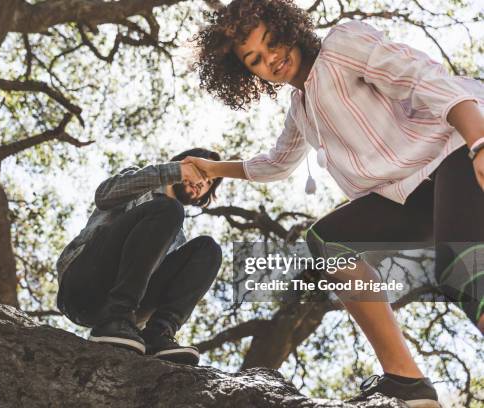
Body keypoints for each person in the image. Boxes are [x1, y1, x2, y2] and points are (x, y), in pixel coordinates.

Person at [187, 0, 484, 405]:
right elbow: (275, 163)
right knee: (328, 241)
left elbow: (422, 78)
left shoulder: (342, 46)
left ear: (287, 27)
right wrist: (214, 169)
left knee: (459, 270)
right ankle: (407, 381)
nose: (271, 59)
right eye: (255, 59)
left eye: (272, 42)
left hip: (454, 152)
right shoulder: (300, 109)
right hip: (405, 195)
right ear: (247, 73)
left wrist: (478, 141)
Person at [55, 148, 223, 366]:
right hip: (83, 285)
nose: (203, 183)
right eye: (202, 173)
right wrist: (171, 172)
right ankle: (116, 316)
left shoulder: (176, 236)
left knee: (208, 249)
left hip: (131, 316)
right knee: (168, 209)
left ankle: (157, 335)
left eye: (209, 183)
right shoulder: (142, 182)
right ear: (184, 164)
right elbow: (103, 196)